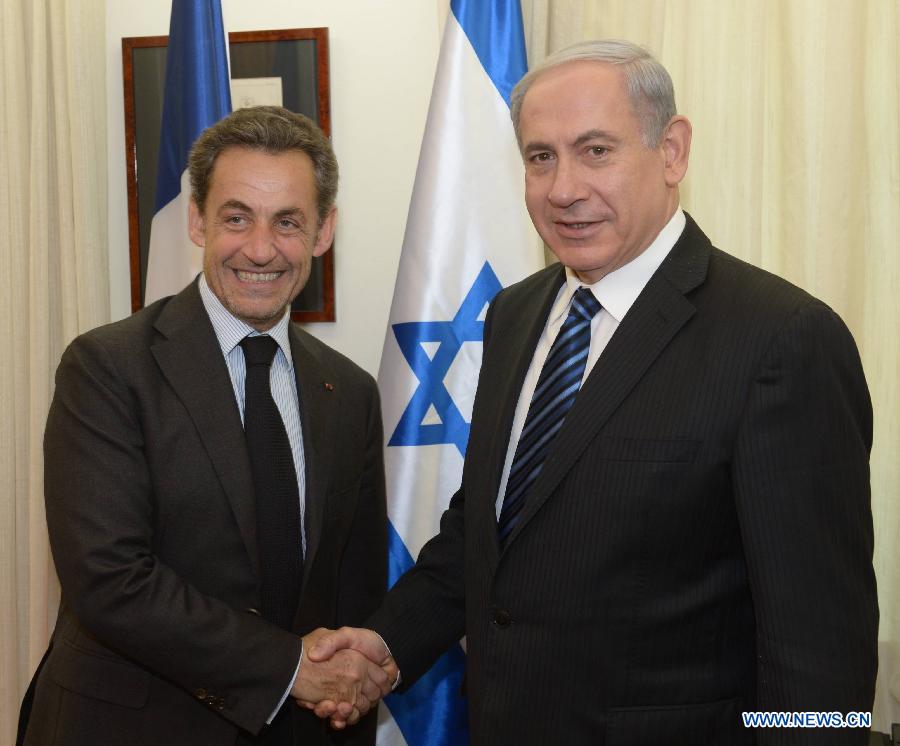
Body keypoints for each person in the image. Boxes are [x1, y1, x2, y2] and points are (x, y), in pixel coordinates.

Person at [307, 40, 878, 744]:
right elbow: (487, 537)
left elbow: (819, 645)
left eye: (596, 151)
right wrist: (384, 648)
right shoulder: (514, 315)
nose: (563, 188)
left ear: (672, 151)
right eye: (540, 157)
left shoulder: (781, 340)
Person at [19, 106, 394, 746]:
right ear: (197, 220)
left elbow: (350, 588)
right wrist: (289, 669)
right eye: (236, 217)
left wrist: (346, 686)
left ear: (323, 232)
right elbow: (108, 578)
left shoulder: (350, 390)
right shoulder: (108, 367)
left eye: (288, 223)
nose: (259, 249)